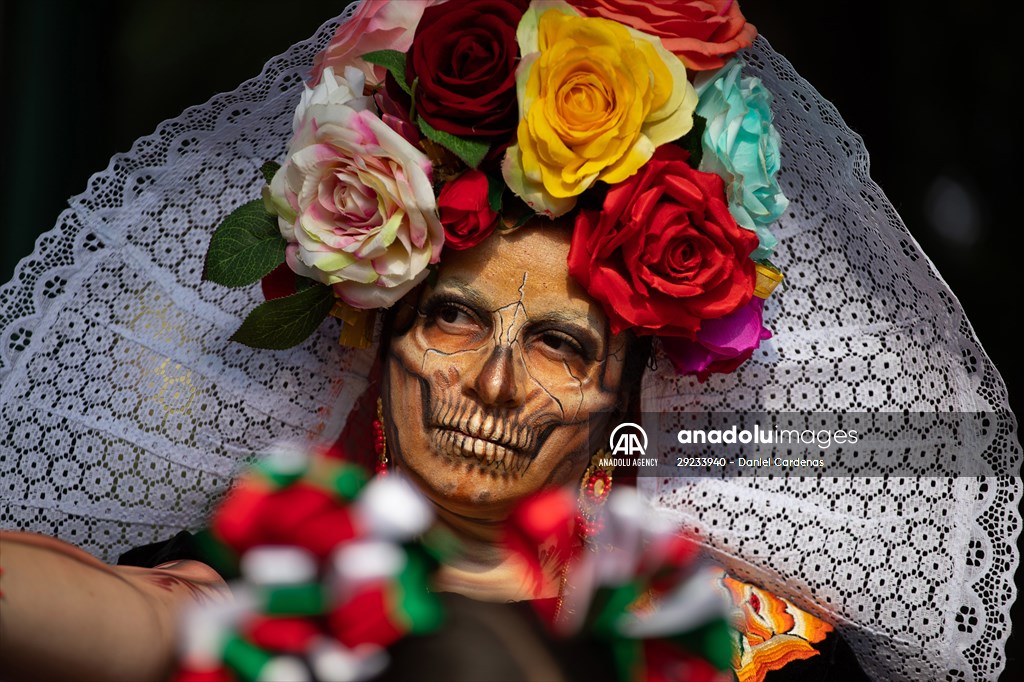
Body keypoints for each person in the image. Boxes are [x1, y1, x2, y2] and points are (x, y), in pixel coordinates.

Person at [0, 1, 1019, 681]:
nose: (492, 383)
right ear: (375, 324)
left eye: (560, 345)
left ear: (625, 384)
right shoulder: (281, 605)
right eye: (452, 315)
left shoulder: (717, 635)